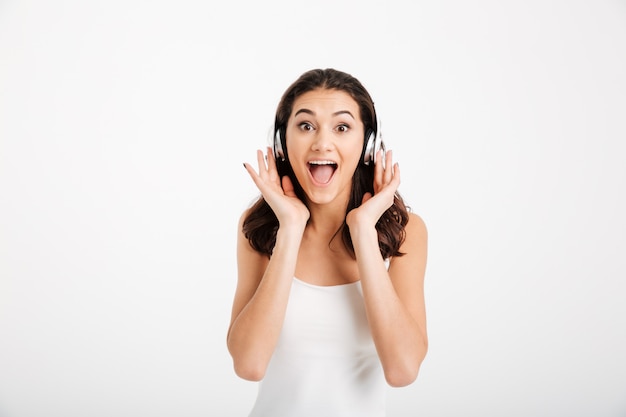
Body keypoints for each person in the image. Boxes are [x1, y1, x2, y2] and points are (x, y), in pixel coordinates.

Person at [227, 68, 428, 417]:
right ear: (282, 143)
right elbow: (249, 365)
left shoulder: (406, 232)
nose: (322, 142)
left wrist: (364, 230)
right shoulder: (258, 229)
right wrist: (290, 228)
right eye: (305, 126)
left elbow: (402, 370)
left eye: (342, 127)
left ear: (366, 145)